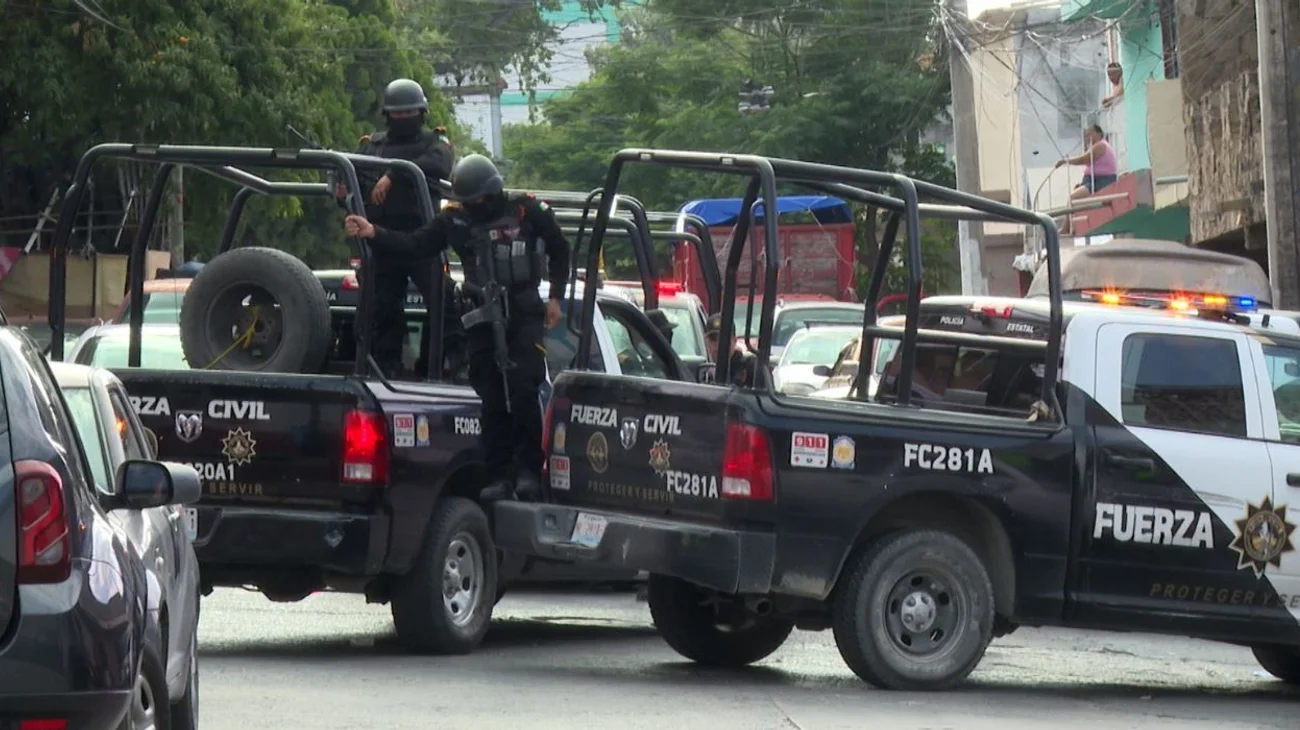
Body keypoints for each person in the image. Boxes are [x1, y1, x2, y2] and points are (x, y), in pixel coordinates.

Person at [343, 154, 569, 501]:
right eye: (468, 201)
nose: (474, 206)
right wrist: (374, 232)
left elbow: (560, 249)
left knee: (523, 387)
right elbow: (415, 244)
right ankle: (499, 475)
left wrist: (555, 297)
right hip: (480, 313)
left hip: (523, 312)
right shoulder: (454, 219)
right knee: (491, 397)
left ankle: (528, 471)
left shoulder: (526, 210)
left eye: (479, 199)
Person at [337, 78, 460, 378]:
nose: (404, 118)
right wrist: (344, 194)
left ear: (421, 113)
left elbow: (440, 164)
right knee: (379, 310)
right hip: (379, 239)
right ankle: (385, 370)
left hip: (424, 239)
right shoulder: (372, 146)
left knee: (444, 304)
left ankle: (441, 367)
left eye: (410, 113)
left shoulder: (434, 142)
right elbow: (354, 183)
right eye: (398, 114)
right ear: (387, 114)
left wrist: (394, 174)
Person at [1055, 124, 1118, 200]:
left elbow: (1083, 159)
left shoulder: (1101, 145)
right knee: (1077, 196)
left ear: (1099, 134)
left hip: (1100, 181)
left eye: (1090, 133)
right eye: (1087, 134)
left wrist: (1065, 161)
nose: (1088, 136)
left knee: (1072, 198)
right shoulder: (1095, 146)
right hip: (1092, 180)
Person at [703, 313, 758, 387]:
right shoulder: (707, 374)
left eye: (723, 338)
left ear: (734, 341)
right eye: (713, 338)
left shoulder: (751, 369)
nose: (718, 343)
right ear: (707, 343)